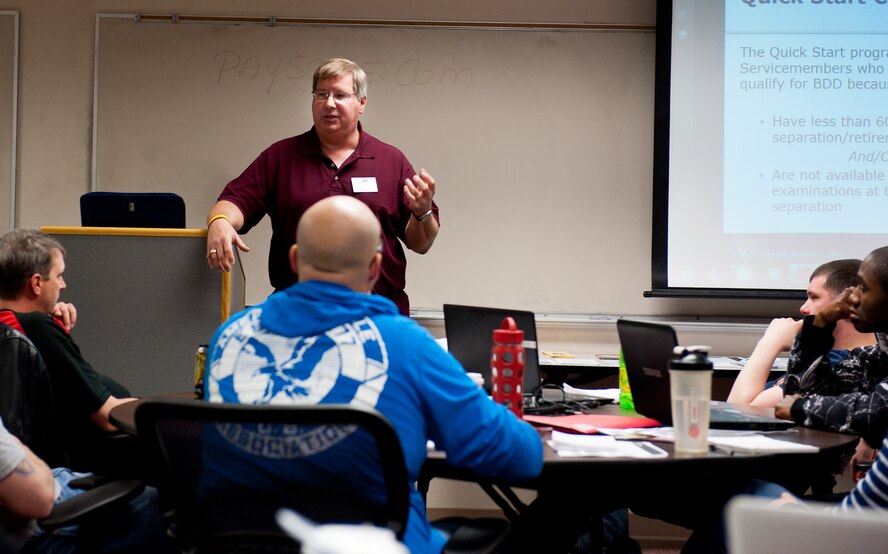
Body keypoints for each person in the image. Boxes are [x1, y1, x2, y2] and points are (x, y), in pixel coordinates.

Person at [204, 196, 542, 554]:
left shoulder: (229, 337)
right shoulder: (406, 344)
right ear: (376, 267)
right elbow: (517, 456)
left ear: (293, 259)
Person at [206, 57, 440, 316]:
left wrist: (422, 212)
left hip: (377, 317)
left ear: (361, 103)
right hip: (298, 317)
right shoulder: (281, 157)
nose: (329, 103)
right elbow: (234, 202)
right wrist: (219, 221)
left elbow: (421, 244)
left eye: (340, 95)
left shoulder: (390, 160)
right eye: (321, 94)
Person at [0, 229, 136, 471]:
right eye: (59, 276)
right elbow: (107, 417)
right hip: (66, 475)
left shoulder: (15, 325)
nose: (64, 285)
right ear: (36, 283)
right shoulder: (35, 327)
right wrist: (164, 408)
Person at [0, 415, 174, 553]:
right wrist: (20, 449)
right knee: (174, 510)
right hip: (46, 523)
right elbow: (39, 499)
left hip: (46, 485)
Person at [776, 246, 888, 451]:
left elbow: (875, 414)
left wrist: (801, 408)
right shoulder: (881, 351)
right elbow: (799, 394)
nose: (853, 298)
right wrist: (819, 324)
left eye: (863, 288)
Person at [727, 259, 874, 407]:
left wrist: (770, 343)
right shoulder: (829, 357)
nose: (803, 308)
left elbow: (737, 411)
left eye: (814, 297)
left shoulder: (838, 364)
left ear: (849, 302)